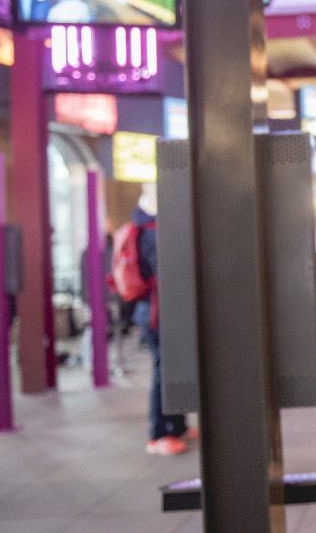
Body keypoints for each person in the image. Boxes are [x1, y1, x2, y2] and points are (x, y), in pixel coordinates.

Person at [130, 182, 194, 455]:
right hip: (157, 314)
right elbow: (166, 273)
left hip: (156, 312)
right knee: (163, 370)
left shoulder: (146, 228)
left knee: (171, 367)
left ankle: (177, 425)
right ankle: (157, 434)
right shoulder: (153, 233)